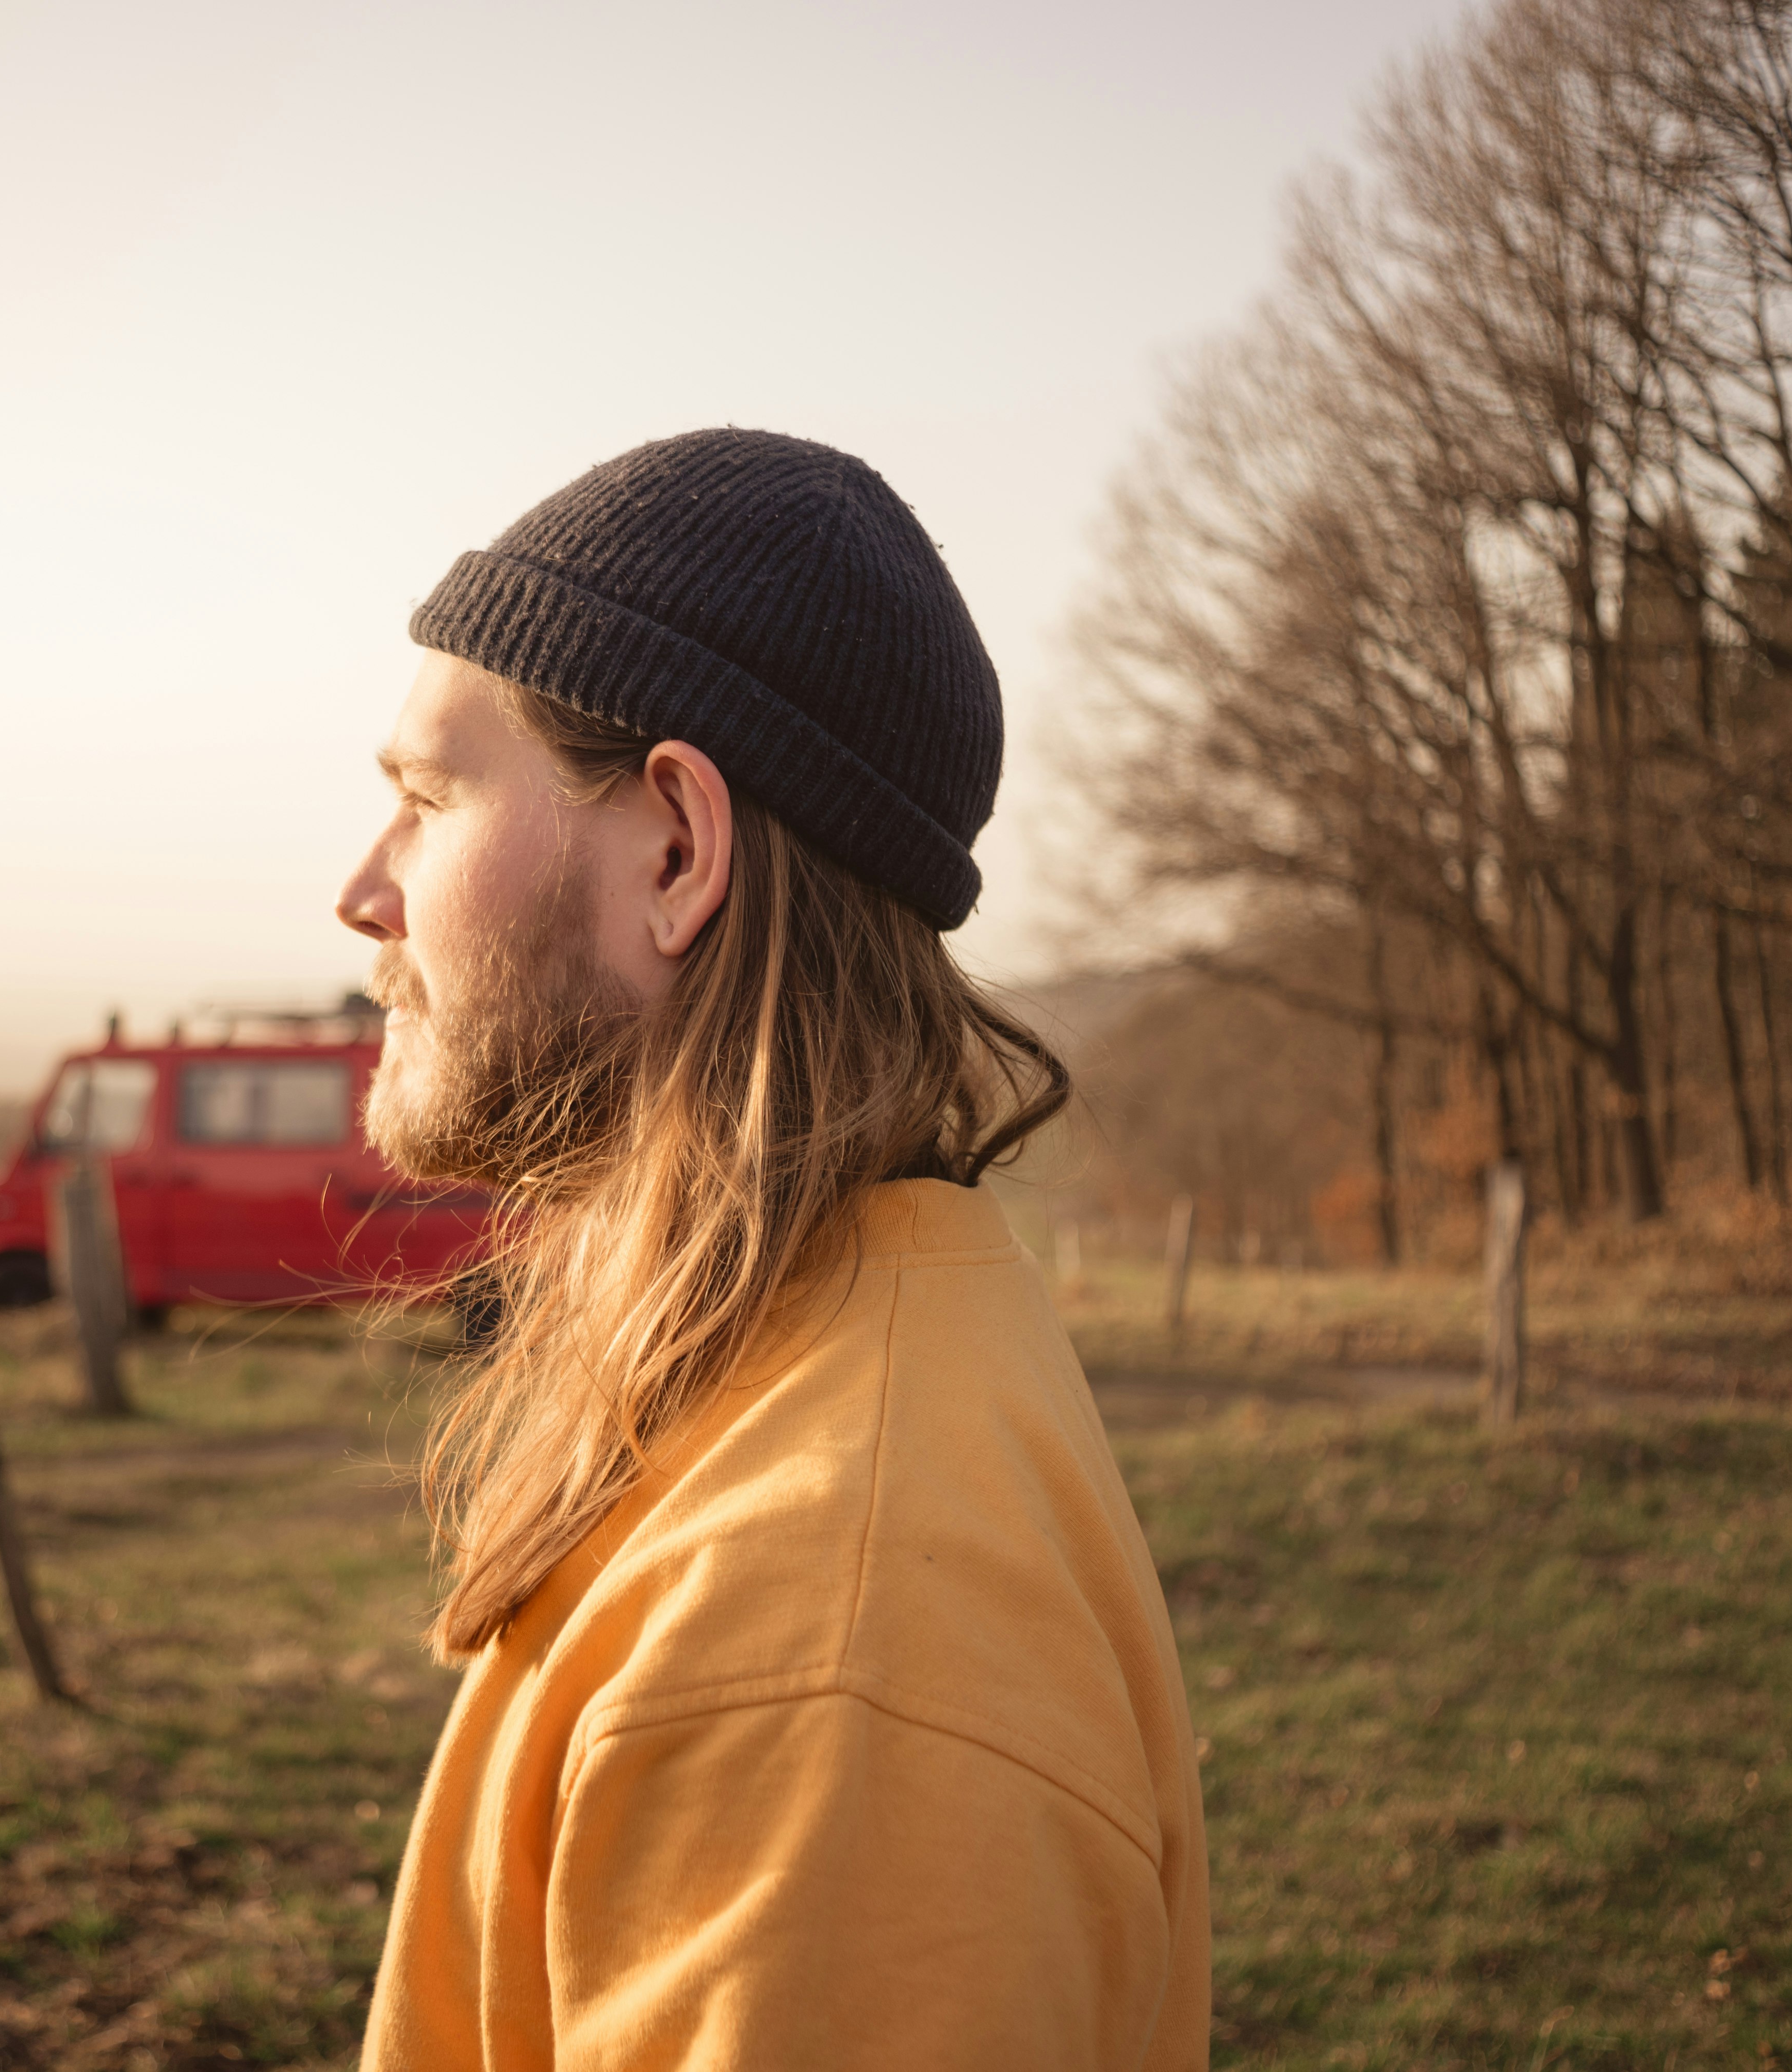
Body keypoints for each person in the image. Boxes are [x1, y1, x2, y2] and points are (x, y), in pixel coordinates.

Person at [337, 428, 1208, 2069]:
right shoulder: (834, 1344)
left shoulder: (823, 1647)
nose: (362, 892)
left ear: (675, 849)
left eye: (425, 798)